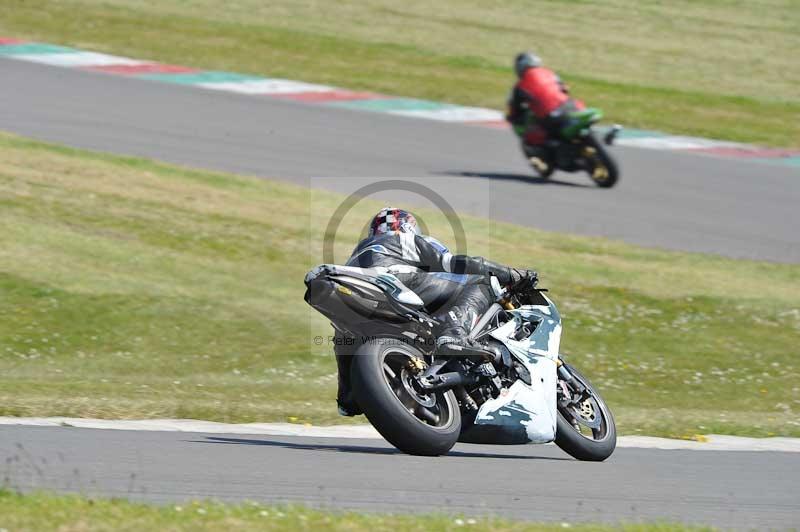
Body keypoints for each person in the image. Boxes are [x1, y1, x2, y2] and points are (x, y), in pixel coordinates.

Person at [334, 207, 536, 416]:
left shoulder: (358, 253)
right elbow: (455, 263)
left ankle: (348, 395)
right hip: (399, 282)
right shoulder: (402, 238)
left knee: (344, 335)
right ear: (407, 226)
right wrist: (511, 274)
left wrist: (353, 388)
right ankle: (455, 334)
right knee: (481, 281)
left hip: (366, 306)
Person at [506, 51, 585, 171]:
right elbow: (565, 89)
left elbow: (515, 109)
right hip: (572, 105)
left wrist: (512, 117)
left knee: (536, 135)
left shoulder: (520, 86)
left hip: (550, 114)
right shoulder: (550, 74)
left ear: (520, 67)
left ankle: (557, 155)